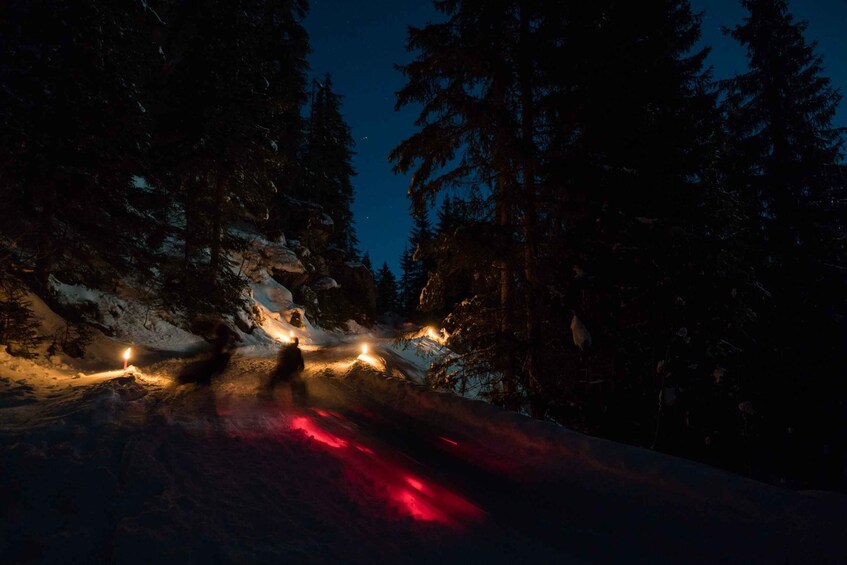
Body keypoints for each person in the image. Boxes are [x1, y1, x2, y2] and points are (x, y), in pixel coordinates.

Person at [270, 337, 306, 402]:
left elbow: (300, 360)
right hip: (285, 369)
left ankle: (300, 396)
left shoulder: (296, 351)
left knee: (297, 382)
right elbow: (282, 358)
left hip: (291, 370)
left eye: (296, 343)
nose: (295, 344)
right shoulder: (287, 350)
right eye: (295, 343)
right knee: (274, 379)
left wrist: (300, 367)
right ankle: (268, 392)